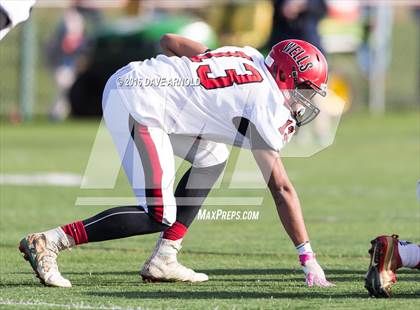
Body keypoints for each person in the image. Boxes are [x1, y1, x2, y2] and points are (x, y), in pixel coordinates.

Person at [19, 34, 333, 288]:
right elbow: (281, 189)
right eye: (303, 87)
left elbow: (170, 41)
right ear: (283, 74)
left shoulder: (247, 56)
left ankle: (165, 257)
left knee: (213, 156)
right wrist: (308, 258)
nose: (304, 98)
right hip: (139, 102)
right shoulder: (268, 104)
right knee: (158, 213)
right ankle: (50, 241)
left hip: (143, 89)